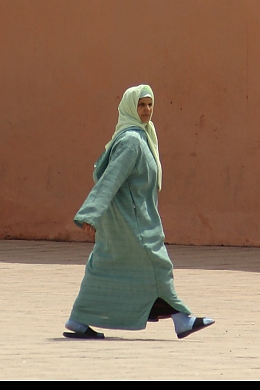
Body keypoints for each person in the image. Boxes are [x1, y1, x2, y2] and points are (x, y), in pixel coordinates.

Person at [63, 83, 214, 340]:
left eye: (150, 104)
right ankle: (182, 320)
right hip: (132, 221)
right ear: (130, 107)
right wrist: (91, 213)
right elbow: (110, 178)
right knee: (158, 265)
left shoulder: (144, 136)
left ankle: (78, 320)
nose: (146, 110)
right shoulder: (132, 141)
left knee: (103, 267)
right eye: (141, 105)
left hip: (131, 217)